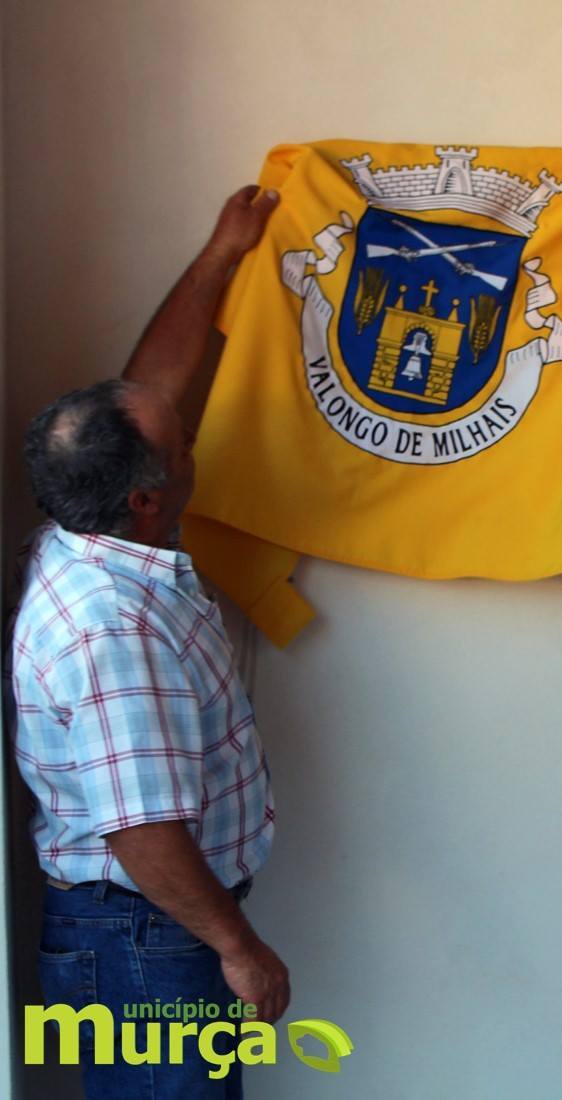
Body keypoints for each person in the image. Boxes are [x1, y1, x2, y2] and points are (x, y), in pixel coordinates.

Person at [9, 185, 288, 1099]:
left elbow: (152, 389)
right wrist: (239, 951)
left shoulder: (86, 528)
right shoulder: (112, 629)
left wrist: (222, 254)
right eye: (184, 447)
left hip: (138, 932)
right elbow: (142, 831)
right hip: (148, 943)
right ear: (147, 497)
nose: (191, 435)